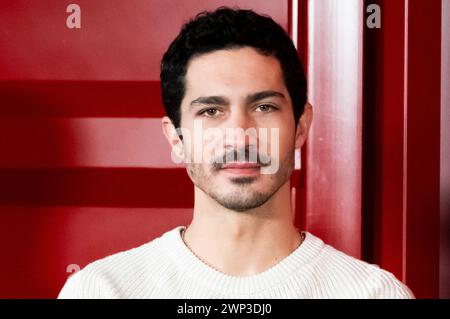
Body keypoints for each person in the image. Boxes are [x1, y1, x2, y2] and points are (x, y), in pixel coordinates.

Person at [58, 7, 414, 299]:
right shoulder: (102, 291)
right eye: (211, 112)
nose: (240, 135)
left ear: (301, 126)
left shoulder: (373, 294)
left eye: (264, 107)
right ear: (176, 139)